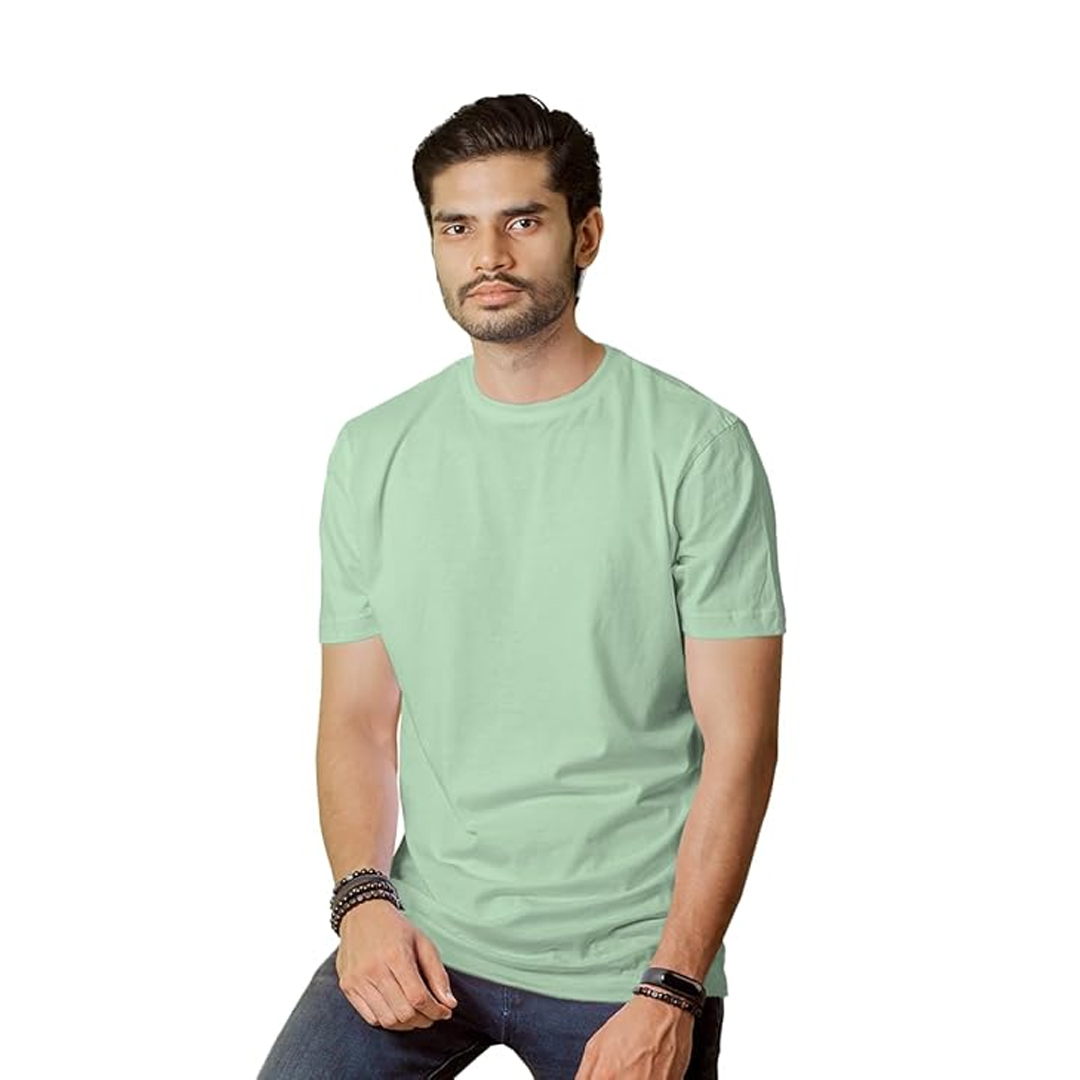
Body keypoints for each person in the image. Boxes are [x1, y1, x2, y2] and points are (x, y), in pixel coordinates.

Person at [257, 92, 786, 1080]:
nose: (487, 255)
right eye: (457, 226)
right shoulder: (374, 451)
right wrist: (363, 902)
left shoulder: (695, 447)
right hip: (427, 935)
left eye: (523, 220)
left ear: (586, 236)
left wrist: (673, 985)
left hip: (627, 965)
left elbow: (741, 744)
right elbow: (358, 721)